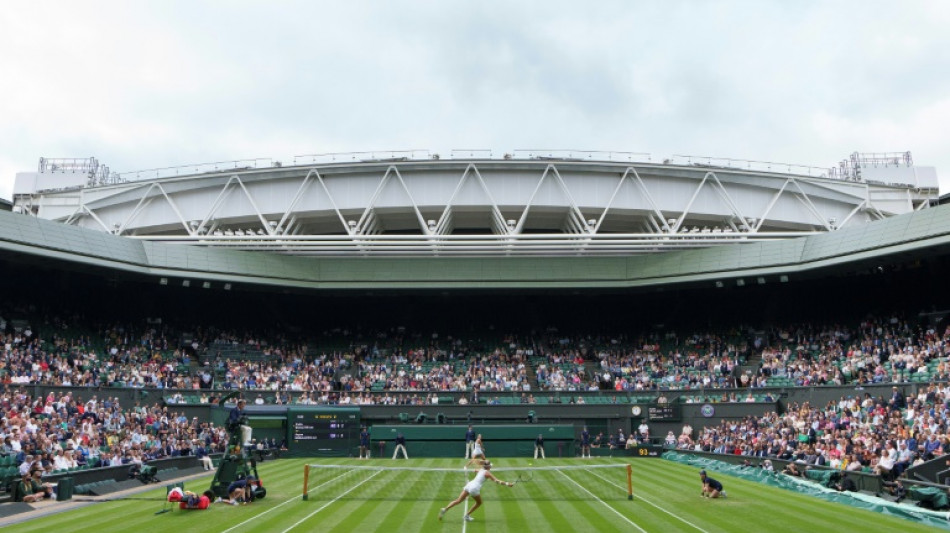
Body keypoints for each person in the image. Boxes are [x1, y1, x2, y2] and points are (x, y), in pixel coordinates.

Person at [439, 461, 512, 522]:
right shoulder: (487, 473)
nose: (491, 467)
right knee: (479, 502)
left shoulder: (481, 470)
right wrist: (507, 483)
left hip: (469, 485)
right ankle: (467, 516)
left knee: (458, 500)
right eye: (490, 466)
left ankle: (445, 509)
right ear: (488, 467)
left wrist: (476, 472)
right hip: (474, 488)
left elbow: (475, 470)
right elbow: (496, 481)